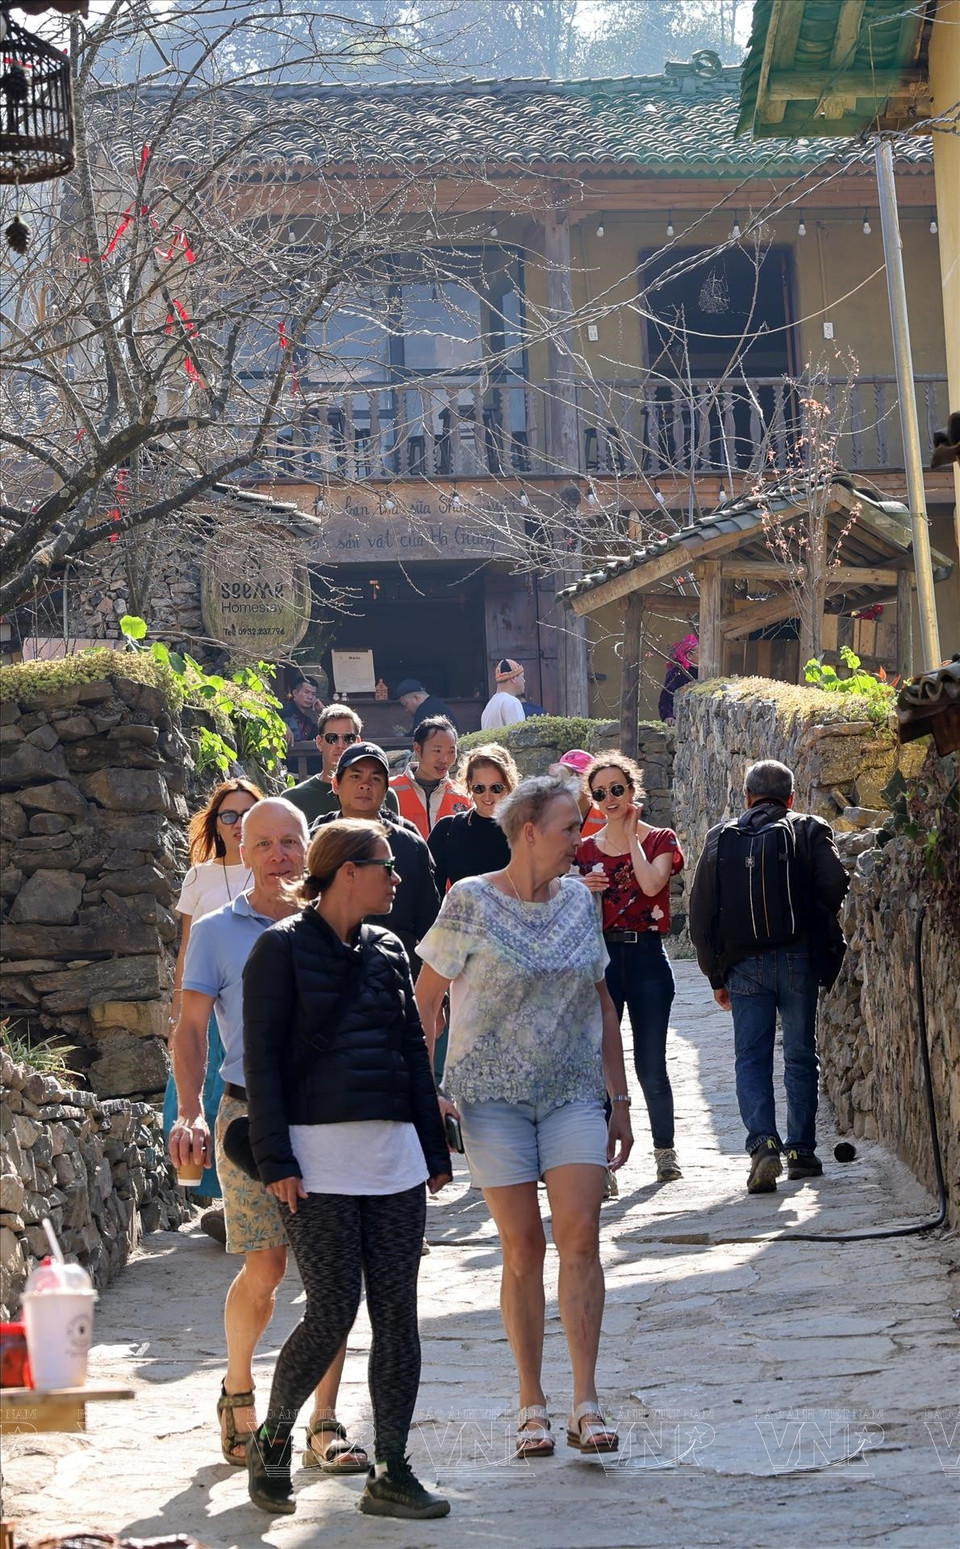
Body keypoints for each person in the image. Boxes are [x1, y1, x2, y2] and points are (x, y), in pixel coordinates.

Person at [415, 776, 634, 1460]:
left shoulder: (578, 899)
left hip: (570, 1090)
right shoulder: (469, 901)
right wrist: (426, 1091)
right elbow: (426, 1002)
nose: (583, 836)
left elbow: (602, 1003)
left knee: (581, 1236)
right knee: (523, 1249)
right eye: (572, 825)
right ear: (529, 830)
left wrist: (619, 1098)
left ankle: (586, 1401)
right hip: (490, 1097)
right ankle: (530, 1401)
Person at [242, 819, 451, 1520]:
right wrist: (275, 1159)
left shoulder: (391, 949)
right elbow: (261, 1064)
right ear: (346, 870)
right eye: (385, 865)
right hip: (314, 1162)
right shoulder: (277, 949)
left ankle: (391, 1467)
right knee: (332, 1310)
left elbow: (411, 1055)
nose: (397, 878)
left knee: (399, 1317)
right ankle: (272, 1439)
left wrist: (432, 1147)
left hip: (392, 1161)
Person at [168, 798, 366, 1476]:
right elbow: (190, 1029)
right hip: (249, 1118)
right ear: (242, 852)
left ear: (308, 849)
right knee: (267, 1268)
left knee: (333, 1277)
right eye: (266, 844)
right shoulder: (219, 932)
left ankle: (325, 1420)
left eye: (292, 842)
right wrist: (189, 1110)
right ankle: (238, 1383)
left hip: (332, 1118)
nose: (281, 855)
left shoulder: (338, 923)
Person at [688, 759, 849, 1194]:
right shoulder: (809, 828)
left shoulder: (721, 838)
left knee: (751, 1058)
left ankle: (763, 1146)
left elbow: (700, 912)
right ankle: (801, 1152)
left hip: (744, 968)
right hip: (797, 959)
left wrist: (715, 975)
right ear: (791, 797)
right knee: (800, 1055)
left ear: (747, 797)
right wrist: (810, 921)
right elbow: (836, 883)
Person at [576, 755, 684, 1185]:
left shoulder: (659, 839)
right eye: (600, 793)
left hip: (647, 957)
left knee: (651, 1061)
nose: (609, 799)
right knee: (602, 1062)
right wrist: (580, 886)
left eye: (616, 789)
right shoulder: (584, 851)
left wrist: (631, 838)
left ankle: (665, 1151)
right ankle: (604, 1164)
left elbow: (653, 885)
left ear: (632, 790)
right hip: (602, 960)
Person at [163, 778, 263, 1242]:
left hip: (252, 1006)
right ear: (216, 823)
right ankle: (226, 1200)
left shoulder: (272, 869)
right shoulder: (200, 876)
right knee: (198, 1098)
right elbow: (187, 947)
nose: (238, 823)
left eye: (246, 814)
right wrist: (179, 1007)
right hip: (207, 1002)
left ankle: (240, 1202)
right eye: (228, 815)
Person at [316, 742, 440, 964]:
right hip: (326, 972)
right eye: (355, 777)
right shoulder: (315, 843)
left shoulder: (409, 845)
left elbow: (431, 927)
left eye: (375, 778)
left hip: (396, 974)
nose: (365, 785)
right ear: (336, 784)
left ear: (385, 789)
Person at [286, 702, 399, 825]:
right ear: (319, 742)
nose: (340, 745)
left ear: (358, 741)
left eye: (348, 738)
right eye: (332, 738)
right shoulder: (293, 799)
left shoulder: (383, 796)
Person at [427, 743, 517, 894]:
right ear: (469, 787)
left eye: (496, 788)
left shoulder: (525, 830)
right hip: (461, 916)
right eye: (479, 788)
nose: (487, 796)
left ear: (508, 786)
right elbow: (430, 894)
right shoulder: (448, 829)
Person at [390, 715, 470, 840]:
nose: (444, 760)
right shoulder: (390, 790)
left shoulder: (463, 794)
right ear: (417, 748)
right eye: (437, 751)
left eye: (451, 752)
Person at [548, 749, 605, 841]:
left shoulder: (606, 817)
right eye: (564, 774)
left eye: (577, 775)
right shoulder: (546, 818)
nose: (567, 782)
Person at [658, 635, 699, 724]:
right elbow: (666, 697)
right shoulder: (676, 673)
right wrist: (668, 716)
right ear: (689, 655)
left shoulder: (703, 671)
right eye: (701, 652)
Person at [481, 658, 526, 730]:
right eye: (522, 676)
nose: (524, 681)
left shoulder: (488, 707)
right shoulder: (512, 702)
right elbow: (519, 737)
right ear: (513, 678)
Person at [282, 674, 320, 746]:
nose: (310, 697)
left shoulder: (307, 722)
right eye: (306, 692)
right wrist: (283, 726)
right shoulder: (284, 711)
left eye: (313, 694)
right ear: (295, 693)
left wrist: (323, 711)